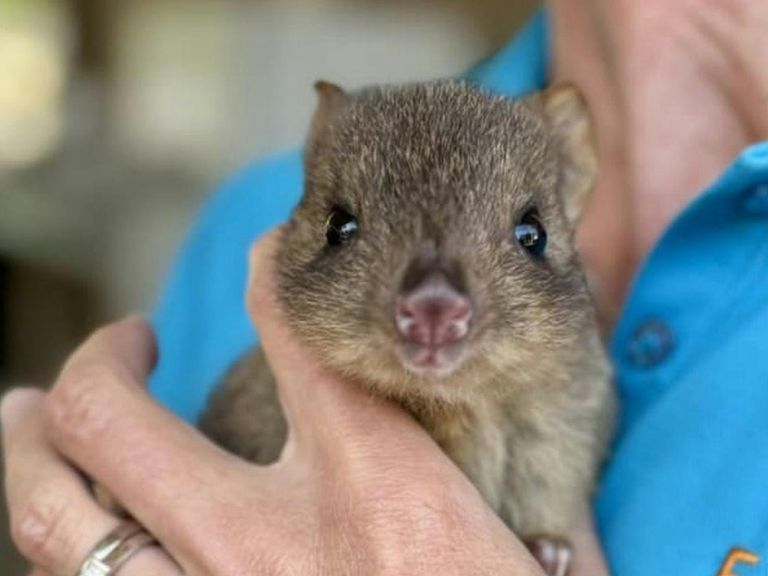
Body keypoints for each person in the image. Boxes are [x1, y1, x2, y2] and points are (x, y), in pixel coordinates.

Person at [3, 2, 768, 574]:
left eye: (526, 239)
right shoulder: (247, 217)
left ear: (566, 183)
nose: (434, 307)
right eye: (344, 233)